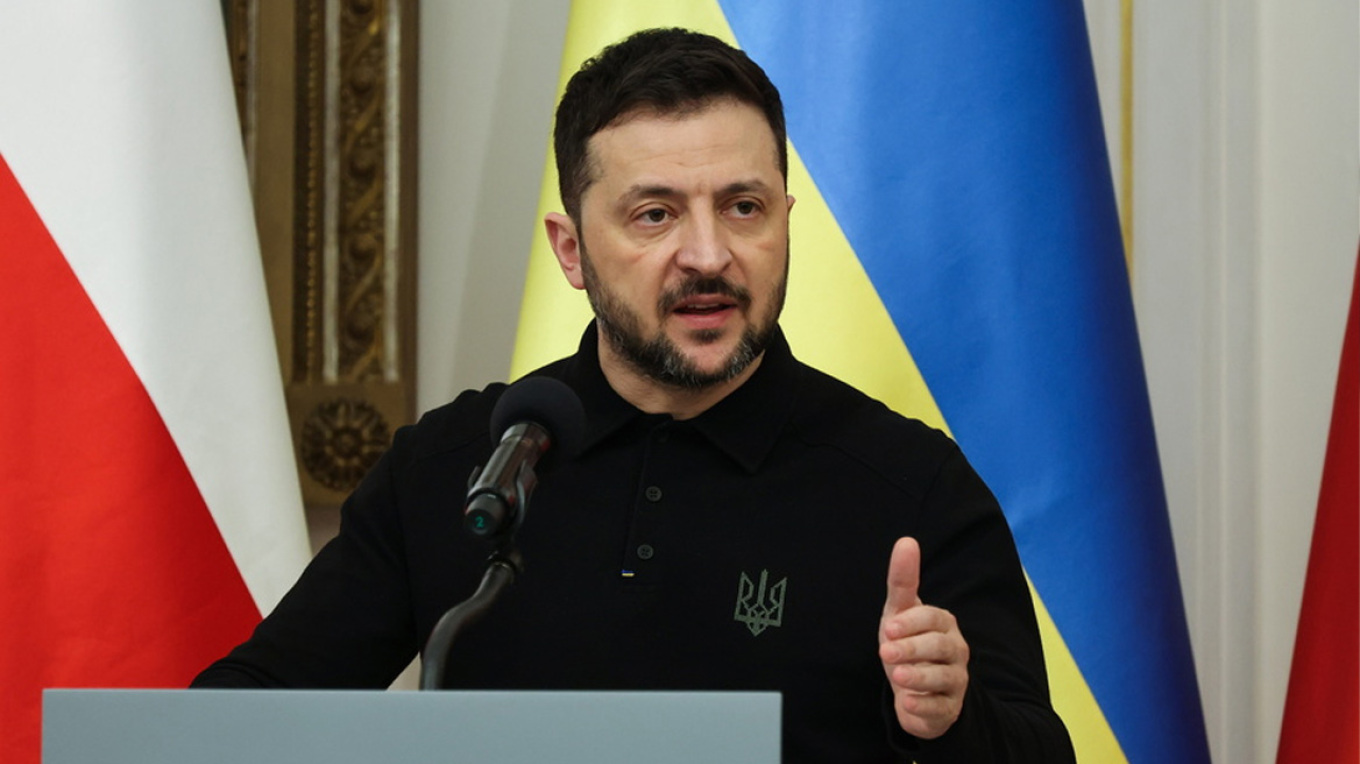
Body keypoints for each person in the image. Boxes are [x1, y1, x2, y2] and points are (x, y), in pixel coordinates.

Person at [193, 28, 1075, 762]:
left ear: (784, 222)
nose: (708, 255)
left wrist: (952, 719)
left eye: (743, 207)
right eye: (655, 214)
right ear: (571, 250)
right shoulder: (460, 467)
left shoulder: (911, 485)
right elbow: (248, 710)